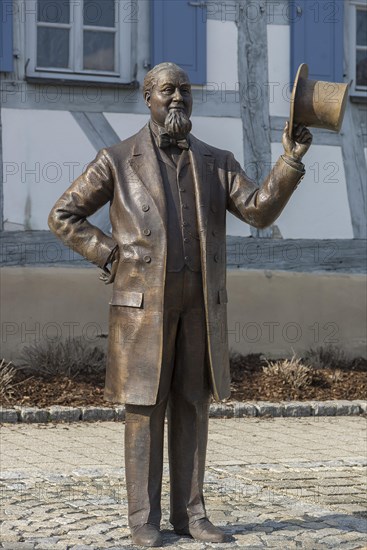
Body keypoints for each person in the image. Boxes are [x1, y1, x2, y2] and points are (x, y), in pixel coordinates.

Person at [48, 62, 312, 547]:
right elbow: (63, 215)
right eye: (167, 90)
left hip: (199, 308)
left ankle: (192, 514)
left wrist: (289, 162)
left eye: (184, 91)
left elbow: (258, 209)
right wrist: (111, 253)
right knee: (144, 411)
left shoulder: (215, 161)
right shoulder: (117, 158)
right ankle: (143, 521)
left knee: (194, 404)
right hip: (142, 309)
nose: (177, 99)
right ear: (147, 97)